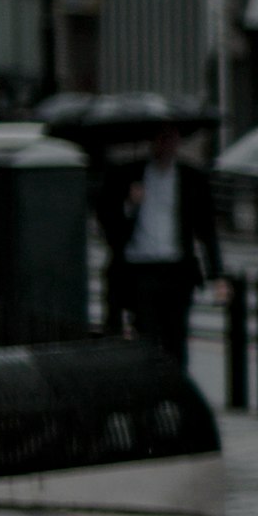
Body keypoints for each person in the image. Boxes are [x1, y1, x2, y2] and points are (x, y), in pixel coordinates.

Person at [105, 126, 217, 357]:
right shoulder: (129, 174)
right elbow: (107, 220)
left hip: (176, 268)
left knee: (176, 335)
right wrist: (129, 204)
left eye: (172, 139)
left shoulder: (191, 177)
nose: (167, 145)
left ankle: (175, 385)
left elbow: (206, 227)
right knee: (145, 333)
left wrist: (217, 273)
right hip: (140, 267)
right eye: (161, 139)